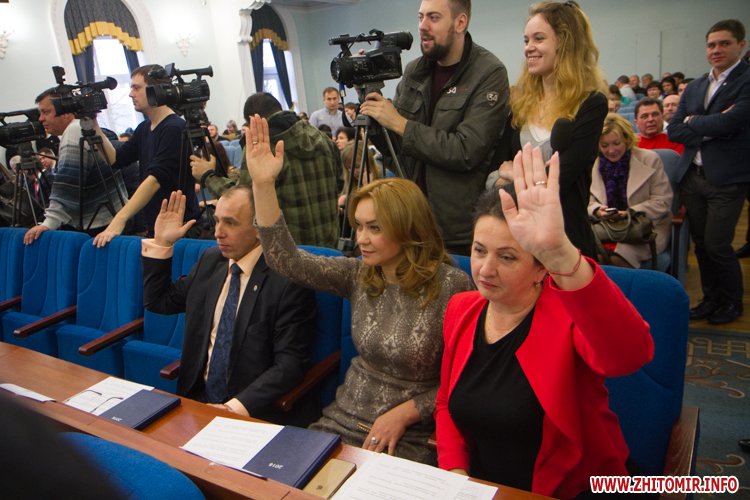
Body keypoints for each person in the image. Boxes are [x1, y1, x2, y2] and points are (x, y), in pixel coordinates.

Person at [246, 114, 473, 464]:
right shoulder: (360, 274)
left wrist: (409, 412)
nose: (361, 239)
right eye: (358, 226)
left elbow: (467, 380)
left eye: (374, 228)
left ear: (408, 227)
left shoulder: (452, 286)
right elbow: (285, 260)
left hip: (408, 436)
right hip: (342, 420)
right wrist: (263, 185)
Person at [436, 144, 654, 498]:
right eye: (479, 251)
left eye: (507, 257)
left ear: (541, 268)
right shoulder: (462, 308)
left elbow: (630, 355)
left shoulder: (568, 316)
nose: (486, 269)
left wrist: (560, 253)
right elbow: (447, 404)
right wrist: (456, 476)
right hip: (486, 487)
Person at [141, 187, 317, 424]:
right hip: (196, 401)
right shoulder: (210, 261)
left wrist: (232, 408)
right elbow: (159, 302)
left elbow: (290, 365)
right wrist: (162, 242)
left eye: (230, 223)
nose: (217, 233)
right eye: (216, 221)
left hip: (249, 411)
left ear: (260, 228)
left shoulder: (287, 280)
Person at [359, 0, 509, 256]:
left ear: (460, 22)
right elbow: (398, 151)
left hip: (456, 231)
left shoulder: (488, 73)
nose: (422, 26)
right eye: (420, 17)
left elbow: (466, 150)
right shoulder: (414, 71)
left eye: (433, 18)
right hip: (410, 222)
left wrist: (400, 124)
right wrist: (371, 102)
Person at [490, 0, 608, 260]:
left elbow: (559, 180)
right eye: (526, 40)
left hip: (566, 240)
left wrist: (512, 172)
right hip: (518, 240)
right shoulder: (520, 104)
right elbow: (495, 167)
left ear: (565, 43)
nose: (528, 48)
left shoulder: (591, 104)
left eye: (539, 38)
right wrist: (513, 174)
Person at [668, 19, 750, 325]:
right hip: (693, 176)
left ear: (741, 45)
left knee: (718, 245)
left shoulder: (746, 80)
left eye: (724, 44)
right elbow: (674, 129)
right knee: (701, 245)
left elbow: (732, 122)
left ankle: (731, 302)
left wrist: (694, 121)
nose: (716, 50)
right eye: (711, 45)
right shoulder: (697, 85)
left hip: (726, 179)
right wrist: (710, 126)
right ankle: (710, 298)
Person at [191, 92, 340, 248]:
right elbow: (339, 184)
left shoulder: (261, 149)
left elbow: (242, 202)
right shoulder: (323, 139)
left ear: (252, 120)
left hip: (288, 254)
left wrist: (208, 176)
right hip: (329, 250)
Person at [92, 64, 200, 246]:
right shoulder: (144, 128)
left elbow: (155, 179)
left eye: (136, 88)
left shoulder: (174, 128)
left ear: (155, 90)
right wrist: (94, 125)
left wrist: (120, 218)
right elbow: (116, 159)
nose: (131, 94)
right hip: (157, 224)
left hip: (179, 227)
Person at [23, 88, 127, 244]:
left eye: (46, 112)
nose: (40, 119)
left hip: (96, 229)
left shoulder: (74, 131)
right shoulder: (84, 126)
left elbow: (67, 185)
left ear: (65, 111)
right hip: (113, 220)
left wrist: (48, 223)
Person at [589, 113, 673, 268]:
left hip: (643, 228)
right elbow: (586, 201)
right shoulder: (592, 163)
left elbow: (662, 201)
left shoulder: (650, 159)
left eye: (616, 143)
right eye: (604, 145)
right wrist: (597, 210)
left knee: (618, 258)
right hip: (604, 228)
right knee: (593, 257)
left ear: (627, 139)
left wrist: (630, 212)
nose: (611, 150)